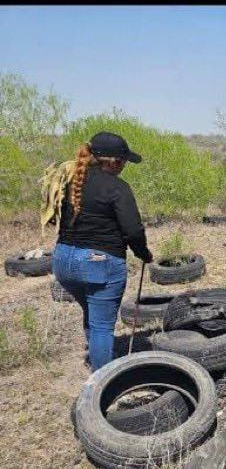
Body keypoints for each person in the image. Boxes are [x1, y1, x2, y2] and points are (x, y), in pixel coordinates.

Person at [44, 132, 153, 371]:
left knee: (92, 313)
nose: (124, 166)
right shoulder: (118, 188)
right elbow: (133, 231)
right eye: (124, 161)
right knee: (102, 326)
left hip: (63, 260)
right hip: (98, 263)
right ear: (114, 162)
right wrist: (143, 253)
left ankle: (100, 357)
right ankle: (103, 382)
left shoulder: (69, 181)